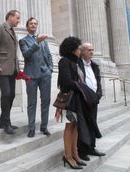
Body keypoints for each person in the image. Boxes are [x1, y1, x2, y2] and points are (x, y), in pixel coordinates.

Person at [19, 17, 53, 138]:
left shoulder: (44, 41)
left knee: (46, 101)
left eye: (35, 23)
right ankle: (32, 128)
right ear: (27, 27)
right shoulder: (23, 41)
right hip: (31, 75)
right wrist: (36, 42)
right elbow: (26, 54)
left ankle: (44, 126)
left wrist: (50, 70)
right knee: (31, 103)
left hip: (45, 75)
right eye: (31, 24)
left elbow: (48, 56)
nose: (33, 25)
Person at [0, 10, 20, 135]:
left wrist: (17, 67)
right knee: (6, 94)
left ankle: (3, 120)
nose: (19, 20)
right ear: (10, 17)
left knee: (11, 95)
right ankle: (6, 123)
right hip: (2, 67)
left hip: (12, 69)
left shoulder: (12, 31)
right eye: (17, 18)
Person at [57, 36, 85, 169]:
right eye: (78, 48)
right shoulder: (64, 61)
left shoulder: (77, 62)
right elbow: (66, 81)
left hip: (78, 98)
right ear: (72, 49)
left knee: (76, 126)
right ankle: (68, 156)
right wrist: (81, 87)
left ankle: (75, 154)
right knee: (70, 126)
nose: (80, 50)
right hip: (69, 99)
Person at [77, 42, 106, 161]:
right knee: (83, 125)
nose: (92, 52)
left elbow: (98, 81)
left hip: (94, 99)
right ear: (82, 52)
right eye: (89, 50)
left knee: (93, 123)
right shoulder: (77, 65)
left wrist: (98, 94)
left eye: (92, 50)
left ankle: (91, 147)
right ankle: (82, 150)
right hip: (83, 99)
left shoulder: (94, 65)